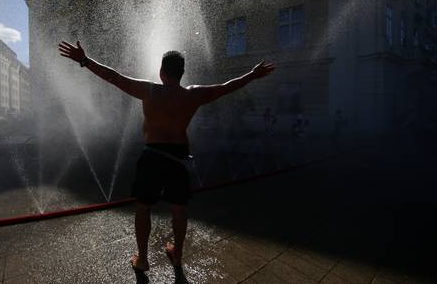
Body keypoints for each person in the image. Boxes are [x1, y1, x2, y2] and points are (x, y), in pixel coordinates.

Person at [58, 41, 275, 271]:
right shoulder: (193, 95)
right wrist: (252, 75)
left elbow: (114, 77)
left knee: (143, 207)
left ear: (161, 73)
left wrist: (84, 60)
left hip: (152, 155)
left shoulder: (149, 90)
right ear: (182, 73)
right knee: (178, 209)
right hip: (179, 158)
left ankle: (142, 260)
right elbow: (226, 86)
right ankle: (177, 255)